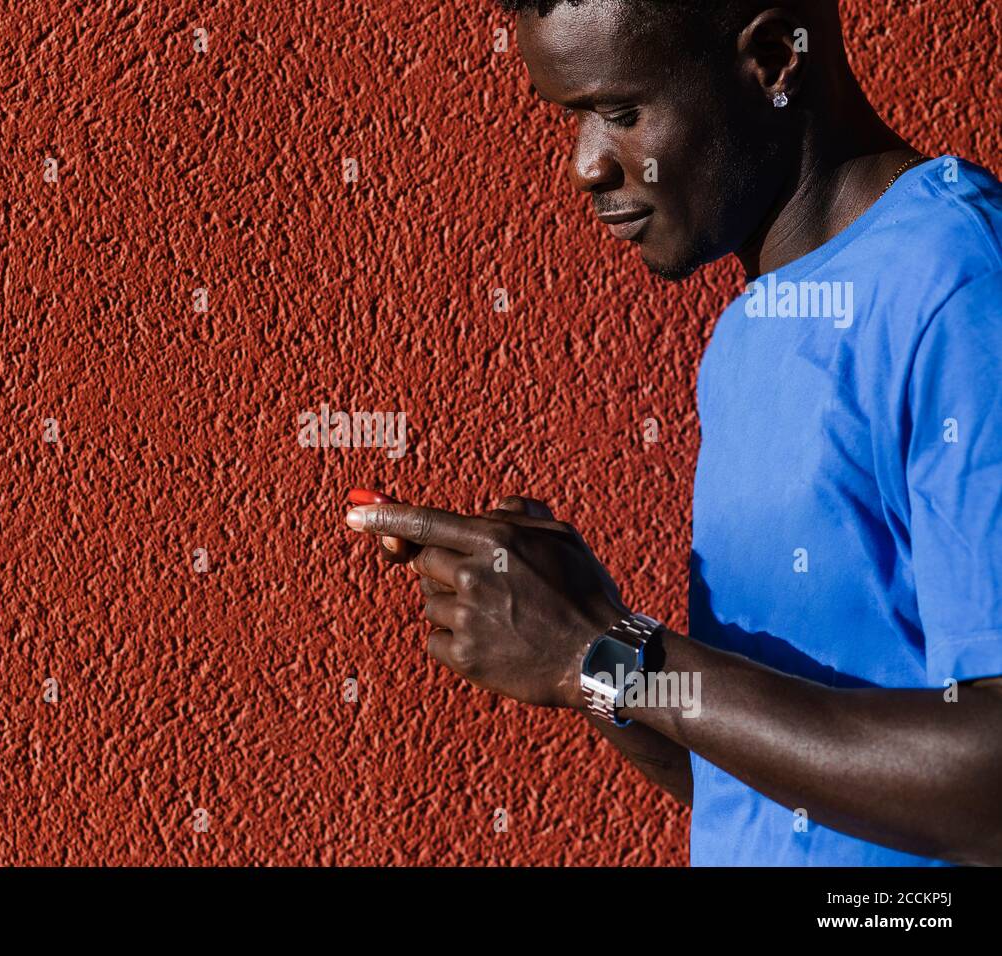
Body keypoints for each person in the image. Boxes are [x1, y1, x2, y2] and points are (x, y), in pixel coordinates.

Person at [346, 0, 1002, 865]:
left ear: (772, 61)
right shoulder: (742, 338)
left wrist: (605, 650)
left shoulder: (960, 287)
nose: (585, 165)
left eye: (620, 113)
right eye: (573, 117)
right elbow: (774, 794)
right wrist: (586, 647)